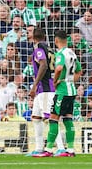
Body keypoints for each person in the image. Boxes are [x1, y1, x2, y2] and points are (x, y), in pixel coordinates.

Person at [34, 30, 82, 157]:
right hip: (71, 90)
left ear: (56, 40)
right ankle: (70, 150)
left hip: (62, 91)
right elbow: (79, 71)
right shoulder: (72, 53)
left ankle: (48, 149)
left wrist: (55, 81)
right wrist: (70, 80)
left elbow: (59, 68)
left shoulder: (60, 54)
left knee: (53, 118)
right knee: (67, 119)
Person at [27, 28, 65, 157]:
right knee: (36, 118)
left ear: (33, 36)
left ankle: (61, 148)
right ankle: (39, 148)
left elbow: (43, 65)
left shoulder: (38, 48)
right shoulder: (49, 48)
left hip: (45, 88)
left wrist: (35, 85)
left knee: (51, 119)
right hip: (44, 89)